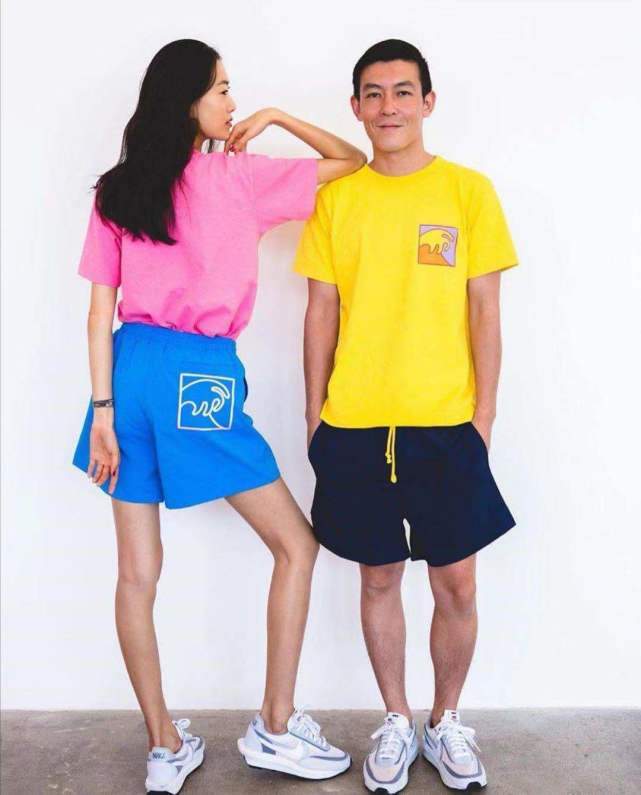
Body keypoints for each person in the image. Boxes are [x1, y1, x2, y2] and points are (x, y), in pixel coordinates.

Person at [72, 38, 365, 794]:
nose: (234, 103)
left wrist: (101, 410)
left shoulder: (118, 189)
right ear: (189, 102)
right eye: (224, 89)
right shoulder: (239, 177)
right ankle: (275, 726)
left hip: (126, 371)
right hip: (196, 372)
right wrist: (280, 119)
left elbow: (100, 311)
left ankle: (164, 746)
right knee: (295, 546)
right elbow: (352, 159)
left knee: (136, 573)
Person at [294, 38, 518, 793]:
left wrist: (483, 416)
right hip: (356, 424)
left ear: (427, 101)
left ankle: (445, 720)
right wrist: (314, 413)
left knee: (457, 584)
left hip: (446, 424)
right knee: (378, 578)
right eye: (373, 93)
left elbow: (484, 310)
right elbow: (320, 311)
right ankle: (395, 719)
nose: (387, 106)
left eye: (401, 91)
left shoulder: (467, 192)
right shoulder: (337, 200)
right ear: (355, 108)